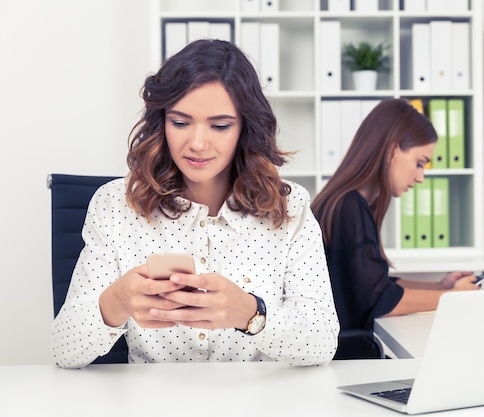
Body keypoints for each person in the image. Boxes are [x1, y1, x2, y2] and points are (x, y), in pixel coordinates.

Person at [51, 39, 339, 368]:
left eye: (219, 126)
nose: (198, 143)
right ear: (161, 123)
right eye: (180, 122)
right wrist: (116, 302)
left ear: (245, 128)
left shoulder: (291, 207)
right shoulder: (115, 205)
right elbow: (64, 350)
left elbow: (322, 342)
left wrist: (250, 314)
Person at [311, 98, 478, 346]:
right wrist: (451, 297)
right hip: (348, 359)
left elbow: (371, 283)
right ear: (392, 151)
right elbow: (379, 301)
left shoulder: (345, 202)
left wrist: (438, 286)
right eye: (419, 163)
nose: (421, 177)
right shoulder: (350, 207)